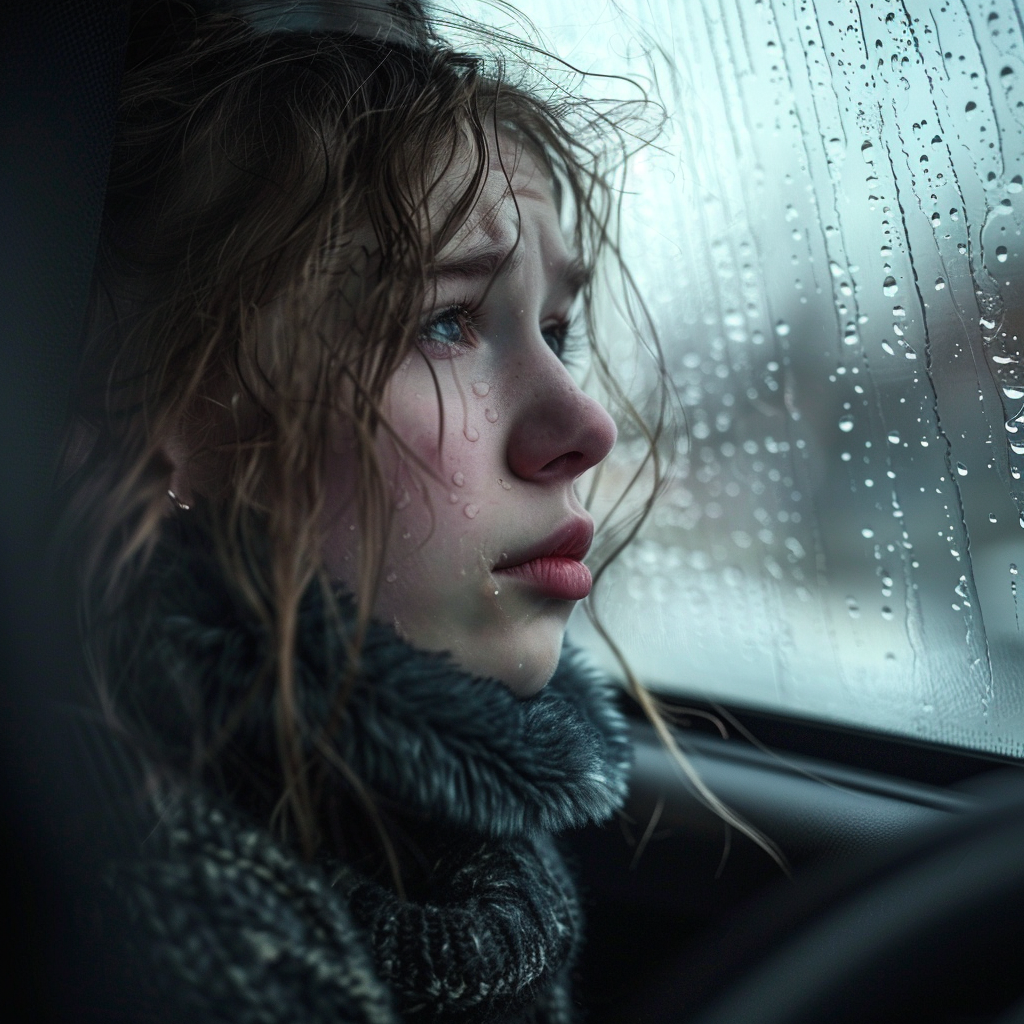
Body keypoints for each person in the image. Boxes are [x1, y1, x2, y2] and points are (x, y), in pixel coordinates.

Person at [62, 1, 662, 1020]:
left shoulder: (460, 878)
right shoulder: (124, 928)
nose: (582, 424)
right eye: (443, 321)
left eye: (555, 329)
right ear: (167, 408)